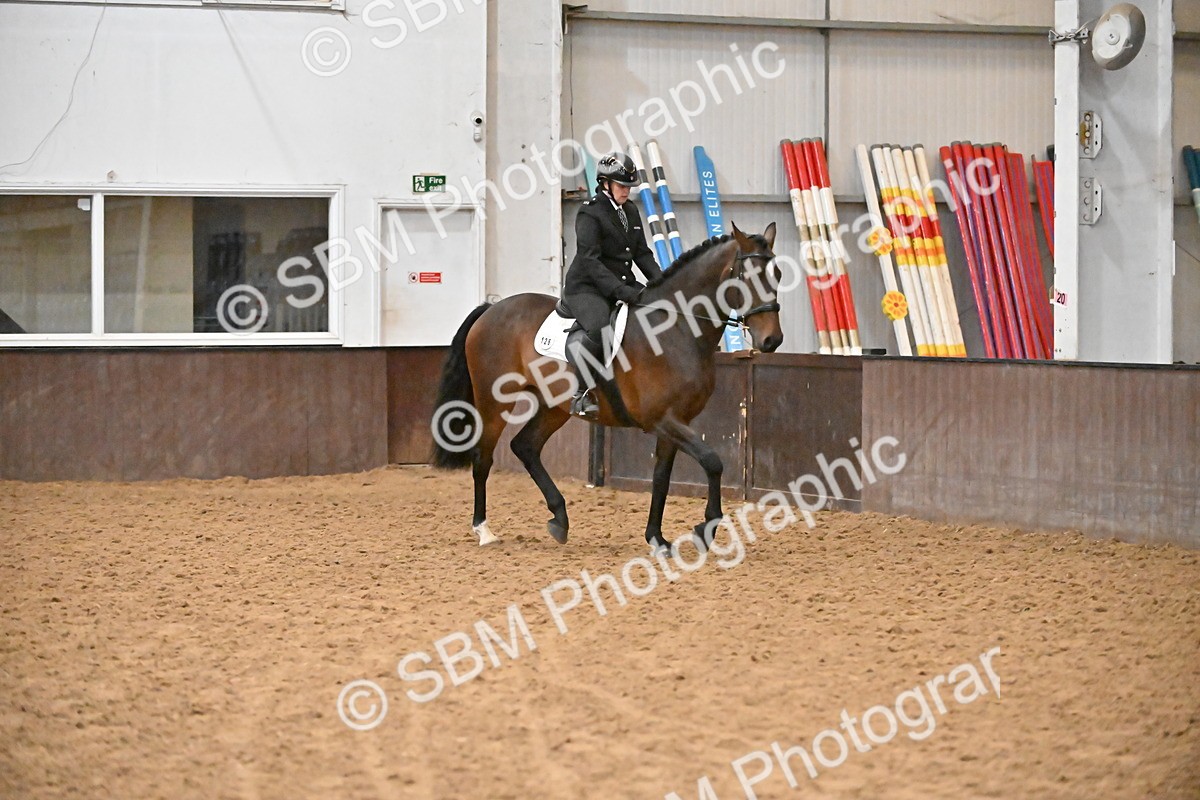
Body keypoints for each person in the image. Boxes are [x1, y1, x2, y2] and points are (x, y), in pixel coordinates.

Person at [561, 152, 661, 418]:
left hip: (621, 283)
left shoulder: (630, 210)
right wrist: (623, 292)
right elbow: (591, 262)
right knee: (600, 328)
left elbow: (641, 253)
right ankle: (580, 393)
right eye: (621, 186)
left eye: (629, 187)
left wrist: (662, 284)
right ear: (605, 184)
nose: (626, 192)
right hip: (587, 288)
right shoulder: (590, 213)